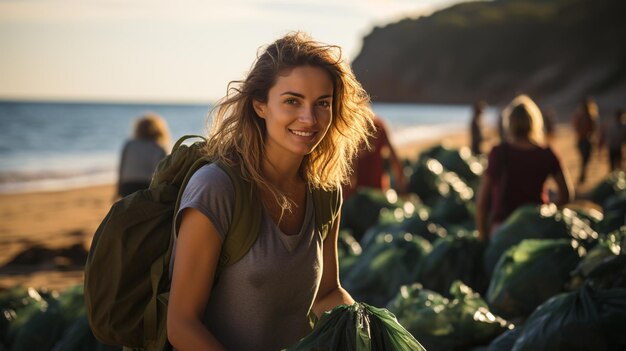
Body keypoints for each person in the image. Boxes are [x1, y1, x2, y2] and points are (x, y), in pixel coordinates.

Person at [166, 32, 374, 351]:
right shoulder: (216, 189)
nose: (309, 118)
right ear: (260, 105)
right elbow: (181, 324)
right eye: (292, 101)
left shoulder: (325, 190)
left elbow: (328, 294)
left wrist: (367, 336)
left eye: (323, 104)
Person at [476, 95, 573, 241]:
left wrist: (483, 238)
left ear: (509, 123)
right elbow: (566, 195)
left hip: (503, 229)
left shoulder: (499, 152)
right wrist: (546, 210)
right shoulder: (547, 153)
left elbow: (482, 203)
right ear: (535, 122)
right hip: (536, 228)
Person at [343, 115, 407, 199]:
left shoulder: (351, 126)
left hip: (358, 191)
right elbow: (393, 156)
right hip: (378, 190)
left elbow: (350, 168)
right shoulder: (379, 124)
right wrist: (401, 181)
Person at [117, 113, 170, 197]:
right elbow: (162, 173)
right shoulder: (158, 147)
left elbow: (121, 167)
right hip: (146, 185)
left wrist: (118, 189)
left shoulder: (129, 144)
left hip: (126, 186)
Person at [572, 97, 599, 183]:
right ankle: (582, 176)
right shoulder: (581, 117)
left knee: (586, 159)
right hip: (583, 140)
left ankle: (582, 175)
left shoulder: (591, 117)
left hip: (587, 140)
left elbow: (594, 129)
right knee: (584, 158)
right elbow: (576, 127)